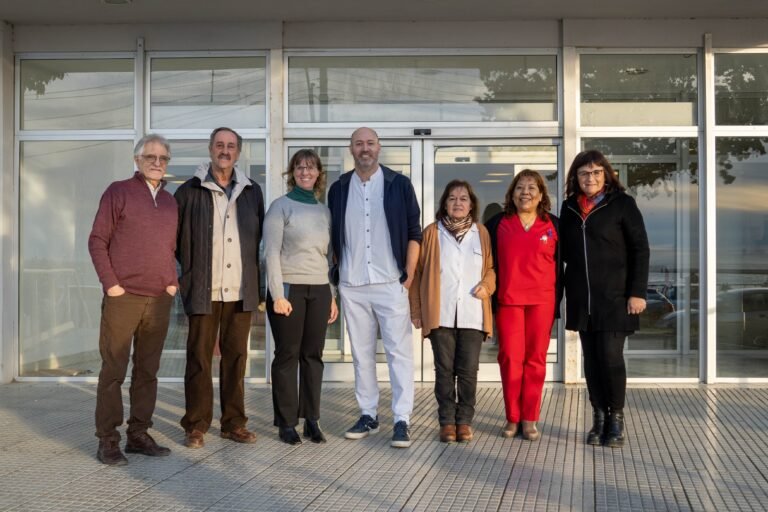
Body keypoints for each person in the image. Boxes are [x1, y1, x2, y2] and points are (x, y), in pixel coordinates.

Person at [327, 127, 422, 448]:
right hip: (353, 284)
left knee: (398, 352)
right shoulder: (339, 188)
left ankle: (401, 418)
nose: (364, 148)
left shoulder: (399, 184)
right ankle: (368, 413)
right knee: (361, 354)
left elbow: (414, 232)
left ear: (378, 147)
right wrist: (337, 280)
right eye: (358, 144)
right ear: (351, 149)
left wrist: (408, 275)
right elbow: (334, 236)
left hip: (390, 282)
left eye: (370, 143)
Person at [88, 133, 178, 465]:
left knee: (147, 371)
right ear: (137, 160)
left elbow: (170, 248)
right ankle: (107, 440)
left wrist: (171, 282)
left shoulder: (170, 201)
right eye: (151, 157)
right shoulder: (118, 191)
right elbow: (97, 240)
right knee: (113, 369)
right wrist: (111, 285)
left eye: (163, 158)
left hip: (159, 299)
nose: (157, 163)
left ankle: (138, 434)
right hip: (123, 297)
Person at [175, 127, 265, 449]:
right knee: (199, 358)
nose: (224, 151)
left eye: (230, 146)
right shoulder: (188, 191)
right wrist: (188, 276)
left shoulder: (252, 191)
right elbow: (175, 242)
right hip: (204, 289)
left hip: (240, 290)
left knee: (236, 358)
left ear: (238, 152)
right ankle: (196, 425)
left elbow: (256, 241)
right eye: (219, 145)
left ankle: (233, 423)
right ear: (210, 149)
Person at [560, 150, 649, 448]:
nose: (591, 178)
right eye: (584, 173)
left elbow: (640, 249)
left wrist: (637, 292)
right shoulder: (569, 208)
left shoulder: (622, 204)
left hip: (616, 298)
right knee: (592, 361)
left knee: (611, 358)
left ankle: (616, 419)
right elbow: (561, 256)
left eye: (597, 172)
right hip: (583, 299)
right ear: (576, 177)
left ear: (606, 175)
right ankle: (598, 418)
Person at [410, 180, 495, 443]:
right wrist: (417, 310)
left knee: (468, 371)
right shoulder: (431, 233)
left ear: (471, 204)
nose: (458, 203)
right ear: (444, 203)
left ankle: (465, 421)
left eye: (463, 198)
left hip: (473, 312)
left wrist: (487, 286)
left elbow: (491, 269)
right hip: (441, 313)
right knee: (444, 370)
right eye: (452, 198)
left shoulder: (481, 233)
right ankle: (446, 421)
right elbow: (417, 275)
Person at [264, 149, 338, 445]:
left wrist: (331, 296)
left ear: (319, 174)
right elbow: (270, 254)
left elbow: (326, 258)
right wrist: (277, 295)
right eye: (299, 167)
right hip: (289, 290)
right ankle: (286, 422)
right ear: (292, 173)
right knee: (287, 355)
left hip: (319, 289)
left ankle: (312, 419)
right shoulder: (280, 207)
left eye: (310, 167)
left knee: (313, 356)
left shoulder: (324, 210)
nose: (305, 172)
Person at [486, 170, 561, 442]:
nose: (525, 192)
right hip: (508, 301)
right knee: (509, 359)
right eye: (520, 187)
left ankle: (530, 418)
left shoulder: (553, 224)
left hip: (542, 301)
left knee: (535, 360)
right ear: (512, 193)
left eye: (532, 187)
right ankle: (512, 417)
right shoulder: (498, 223)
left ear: (541, 194)